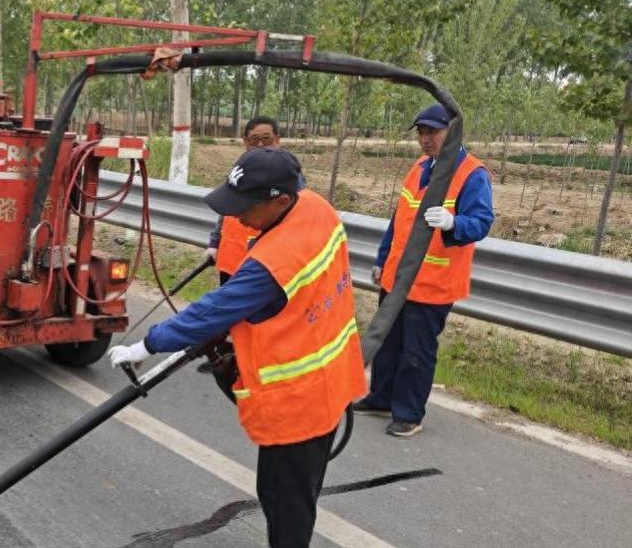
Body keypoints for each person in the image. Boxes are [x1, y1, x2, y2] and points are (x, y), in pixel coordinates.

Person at [110, 147, 366, 548]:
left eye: (245, 207)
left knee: (284, 501)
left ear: (280, 200)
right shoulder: (317, 209)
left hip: (298, 401)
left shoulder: (273, 260)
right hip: (331, 376)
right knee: (299, 492)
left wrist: (148, 344)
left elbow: (212, 311)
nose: (235, 216)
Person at [357, 103, 493, 437]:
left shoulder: (472, 174)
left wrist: (453, 222)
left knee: (416, 351)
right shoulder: (419, 167)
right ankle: (381, 397)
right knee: (388, 344)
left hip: (432, 283)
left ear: (453, 132)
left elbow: (480, 222)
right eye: (421, 132)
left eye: (432, 131)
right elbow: (398, 219)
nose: (425, 139)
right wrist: (381, 258)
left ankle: (409, 414)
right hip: (397, 277)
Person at [207, 117, 283, 282]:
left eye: (266, 138)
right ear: (246, 142)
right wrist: (215, 242)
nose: (261, 144)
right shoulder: (241, 167)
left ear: (277, 140)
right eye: (255, 139)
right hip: (230, 257)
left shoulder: (286, 174)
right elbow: (226, 204)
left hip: (260, 263)